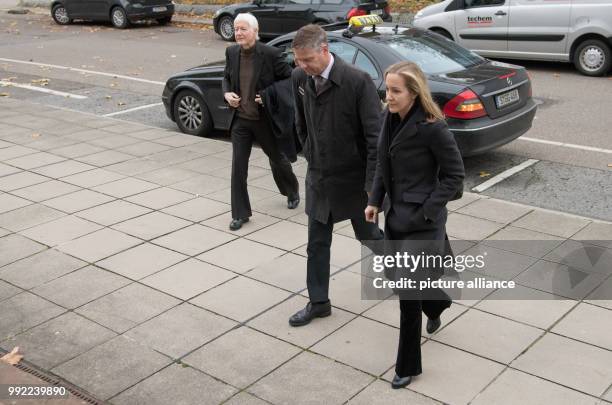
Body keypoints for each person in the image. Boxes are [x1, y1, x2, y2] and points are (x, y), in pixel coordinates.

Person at [364, 61, 465, 389]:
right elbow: (382, 162)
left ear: (413, 92)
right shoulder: (388, 118)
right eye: (387, 89)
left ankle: (407, 366)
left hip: (423, 222)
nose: (388, 96)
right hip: (396, 218)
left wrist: (427, 211)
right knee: (400, 280)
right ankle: (438, 303)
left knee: (407, 294)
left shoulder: (433, 127)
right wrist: (375, 200)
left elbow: (455, 177)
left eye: (396, 91)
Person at [288, 24, 384, 327]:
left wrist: (372, 187)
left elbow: (374, 138)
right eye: (298, 61)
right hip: (319, 178)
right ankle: (319, 302)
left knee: (370, 237)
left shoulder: (358, 81)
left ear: (325, 50)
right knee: (316, 244)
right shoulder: (298, 78)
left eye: (308, 60)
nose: (303, 67)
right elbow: (300, 122)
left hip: (355, 183)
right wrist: (310, 152)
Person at [222, 13, 300, 231]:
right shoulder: (231, 52)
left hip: (264, 120)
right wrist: (227, 94)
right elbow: (226, 77)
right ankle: (240, 214)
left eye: (243, 29)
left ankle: (291, 190)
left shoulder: (271, 54)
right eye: (236, 29)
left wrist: (267, 95)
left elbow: (289, 79)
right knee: (238, 167)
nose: (238, 33)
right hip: (241, 121)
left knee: (277, 159)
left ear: (255, 31)